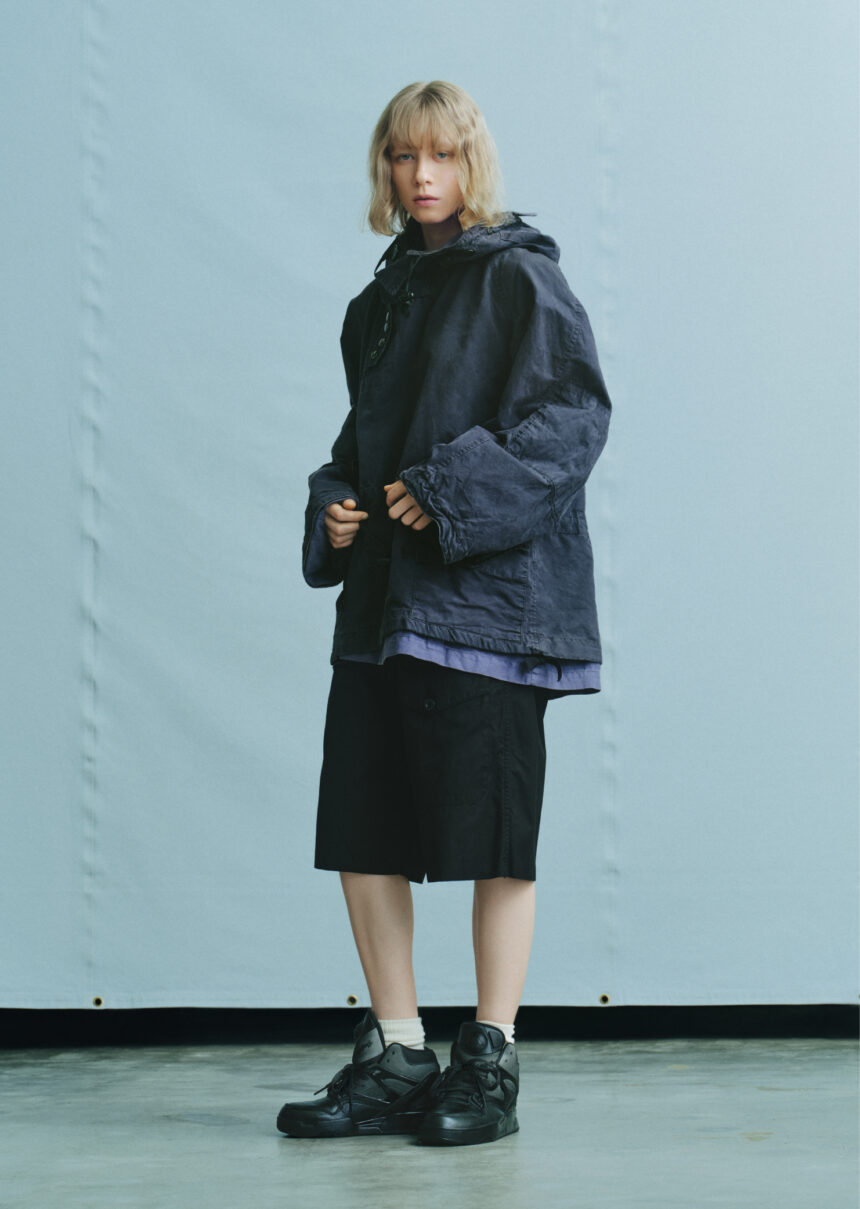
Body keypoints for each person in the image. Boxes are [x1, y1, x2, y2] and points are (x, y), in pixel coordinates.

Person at [277, 80, 611, 1147]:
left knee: (495, 839)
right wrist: (335, 503)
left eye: (442, 155)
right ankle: (398, 1052)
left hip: (492, 610)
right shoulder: (374, 305)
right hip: (384, 608)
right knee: (362, 831)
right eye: (401, 157)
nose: (421, 176)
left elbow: (571, 421)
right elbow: (358, 448)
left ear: (473, 163)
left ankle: (490, 1058)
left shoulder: (520, 277)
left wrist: (449, 488)